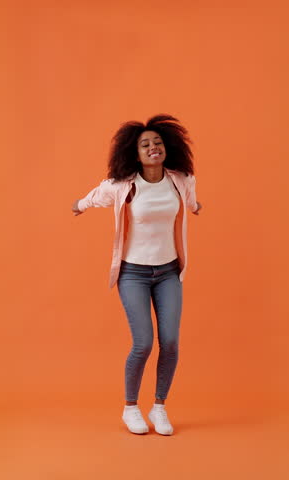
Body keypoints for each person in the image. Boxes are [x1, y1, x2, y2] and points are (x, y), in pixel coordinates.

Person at [71, 114, 201, 435]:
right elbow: (96, 195)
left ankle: (159, 408)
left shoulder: (180, 179)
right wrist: (79, 204)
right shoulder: (123, 186)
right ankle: (130, 408)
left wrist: (196, 206)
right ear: (136, 153)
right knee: (143, 342)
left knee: (170, 343)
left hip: (170, 272)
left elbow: (190, 200)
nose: (153, 147)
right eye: (145, 144)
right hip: (134, 274)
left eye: (157, 142)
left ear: (167, 147)